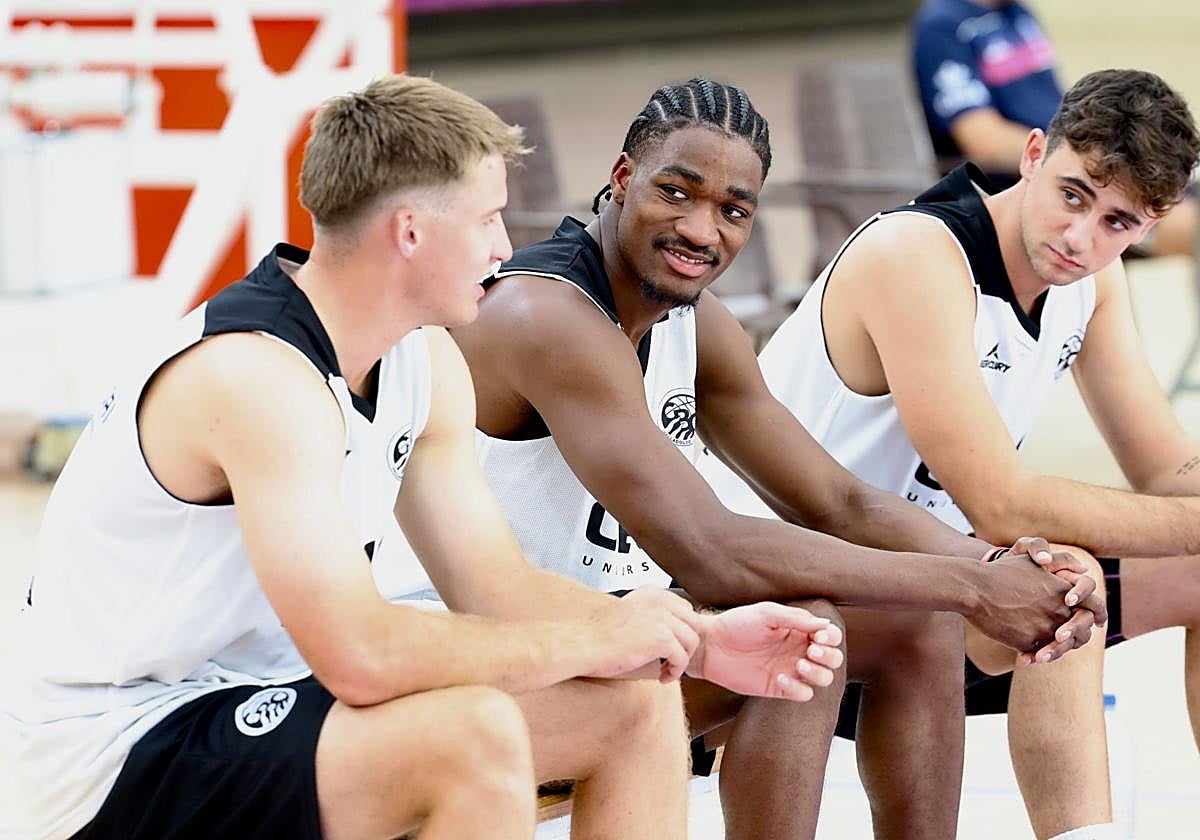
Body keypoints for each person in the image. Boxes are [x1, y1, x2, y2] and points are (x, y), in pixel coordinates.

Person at [1, 75, 846, 840]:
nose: (503, 249)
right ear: (410, 230)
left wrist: (685, 641)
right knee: (470, 737)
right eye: (485, 220)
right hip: (114, 748)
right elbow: (361, 655)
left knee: (636, 704)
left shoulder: (423, 356)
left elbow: (500, 590)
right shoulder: (256, 377)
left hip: (261, 704)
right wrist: (595, 640)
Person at [383, 77, 1106, 840]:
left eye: (733, 210)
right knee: (801, 624)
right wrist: (973, 587)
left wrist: (997, 568)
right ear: (623, 179)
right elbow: (711, 550)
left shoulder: (700, 326)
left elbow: (838, 500)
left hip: (612, 640)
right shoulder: (545, 316)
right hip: (478, 659)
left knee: (897, 628)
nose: (702, 229)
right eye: (676, 192)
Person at [704, 68, 1200, 840]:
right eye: (1073, 195)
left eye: (1118, 222)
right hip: (794, 593)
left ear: (1151, 225)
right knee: (1060, 576)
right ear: (1034, 153)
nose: (1082, 237)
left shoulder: (1093, 286)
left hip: (939, 589)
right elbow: (1004, 504)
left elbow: (1167, 472)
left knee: (1130, 574)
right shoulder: (919, 254)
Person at [911, 0, 1197, 257]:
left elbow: (1064, 109)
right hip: (1044, 188)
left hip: (1094, 171)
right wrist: (1081, 155)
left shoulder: (1018, 14)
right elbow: (984, 139)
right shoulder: (944, 25)